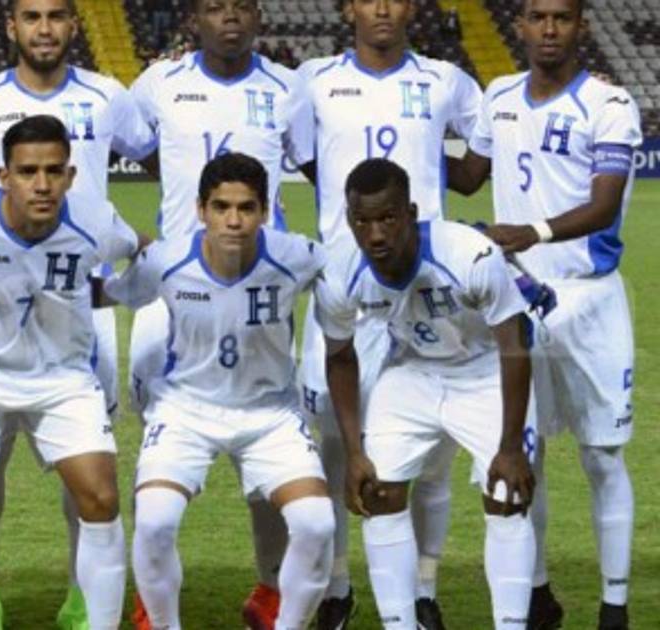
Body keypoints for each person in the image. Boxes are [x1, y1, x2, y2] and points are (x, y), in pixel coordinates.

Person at [0, 0, 154, 625]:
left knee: (87, 473)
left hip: (80, 315)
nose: (44, 28)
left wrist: (113, 283)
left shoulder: (109, 96)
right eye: (31, 16)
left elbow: (160, 160)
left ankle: (82, 597)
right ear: (11, 25)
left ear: (73, 25)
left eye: (57, 16)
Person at [450, 1, 642, 627]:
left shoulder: (609, 104)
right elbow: (469, 176)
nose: (550, 28)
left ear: (580, 25)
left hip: (589, 300)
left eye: (562, 17)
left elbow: (604, 206)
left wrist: (530, 231)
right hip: (519, 300)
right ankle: (536, 595)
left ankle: (614, 605)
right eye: (538, 16)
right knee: (520, 452)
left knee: (601, 456)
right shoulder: (499, 96)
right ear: (521, 26)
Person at [0, 114, 147, 630]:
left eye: (53, 171)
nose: (42, 184)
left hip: (64, 381)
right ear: (2, 176)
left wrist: (112, 293)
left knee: (101, 498)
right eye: (27, 172)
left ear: (70, 175)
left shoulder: (96, 220)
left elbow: (145, 252)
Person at [293, 1, 484, 625]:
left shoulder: (446, 81)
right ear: (348, 5)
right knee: (330, 446)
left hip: (426, 291)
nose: (381, 7)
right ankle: (337, 586)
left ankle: (423, 590)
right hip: (344, 288)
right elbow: (310, 161)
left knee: (430, 456)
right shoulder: (313, 81)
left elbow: (478, 164)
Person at [126, 0, 315, 625]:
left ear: (257, 16)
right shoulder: (158, 82)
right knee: (159, 444)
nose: (228, 17)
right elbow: (141, 151)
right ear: (194, 19)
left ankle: (271, 588)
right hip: (173, 286)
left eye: (240, 6)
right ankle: (152, 591)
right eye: (215, 6)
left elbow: (314, 165)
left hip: (259, 290)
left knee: (266, 446)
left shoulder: (289, 87)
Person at [107, 153, 334, 630]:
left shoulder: (297, 255)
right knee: (154, 521)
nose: (234, 220)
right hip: (185, 410)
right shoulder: (166, 260)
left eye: (246, 208)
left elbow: (355, 269)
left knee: (317, 524)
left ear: (265, 211)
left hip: (270, 414)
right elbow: (110, 293)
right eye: (221, 207)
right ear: (200, 209)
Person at [319, 158, 537, 630]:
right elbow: (339, 358)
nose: (376, 234)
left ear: (411, 213)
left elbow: (514, 346)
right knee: (377, 490)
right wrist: (354, 452)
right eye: (362, 221)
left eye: (388, 218)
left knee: (507, 494)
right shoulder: (339, 273)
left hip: (485, 370)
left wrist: (510, 446)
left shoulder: (469, 255)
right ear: (349, 220)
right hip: (414, 369)